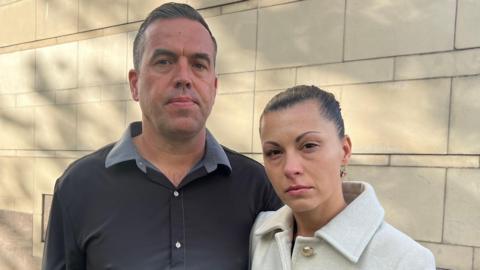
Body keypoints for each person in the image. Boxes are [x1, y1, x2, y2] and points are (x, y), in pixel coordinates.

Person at [42, 2, 281, 270]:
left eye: (199, 64)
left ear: (214, 87)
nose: (183, 77)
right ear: (135, 84)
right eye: (164, 62)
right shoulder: (79, 186)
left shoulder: (257, 187)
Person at [250, 85, 436, 269]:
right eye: (274, 152)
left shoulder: (406, 259)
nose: (290, 168)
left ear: (345, 150)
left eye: (309, 146)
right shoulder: (259, 234)